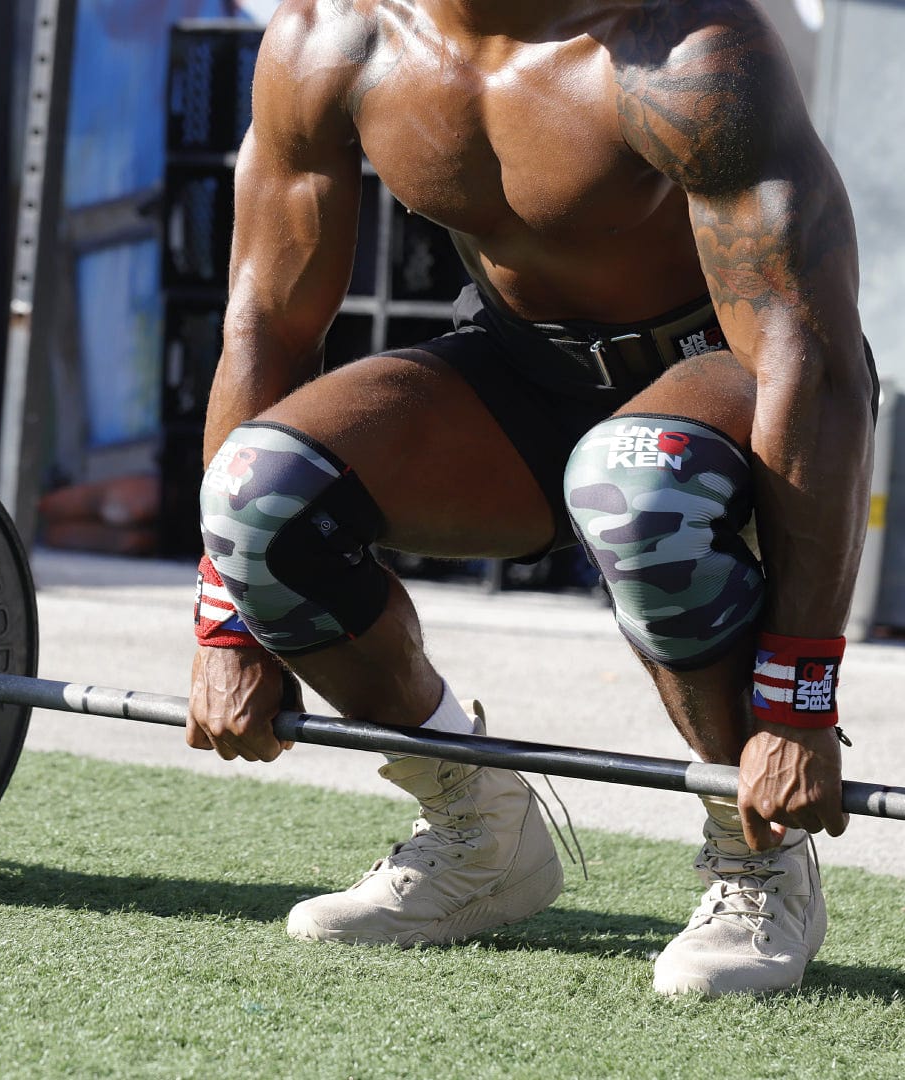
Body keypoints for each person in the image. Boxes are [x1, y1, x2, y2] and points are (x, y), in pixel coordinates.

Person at [186, 0, 878, 996]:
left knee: (635, 478)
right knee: (259, 496)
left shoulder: (689, 50)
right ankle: (479, 832)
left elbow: (809, 360)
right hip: (519, 375)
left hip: (720, 375)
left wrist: (799, 698)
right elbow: (265, 321)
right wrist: (226, 617)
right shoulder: (332, 35)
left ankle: (759, 858)